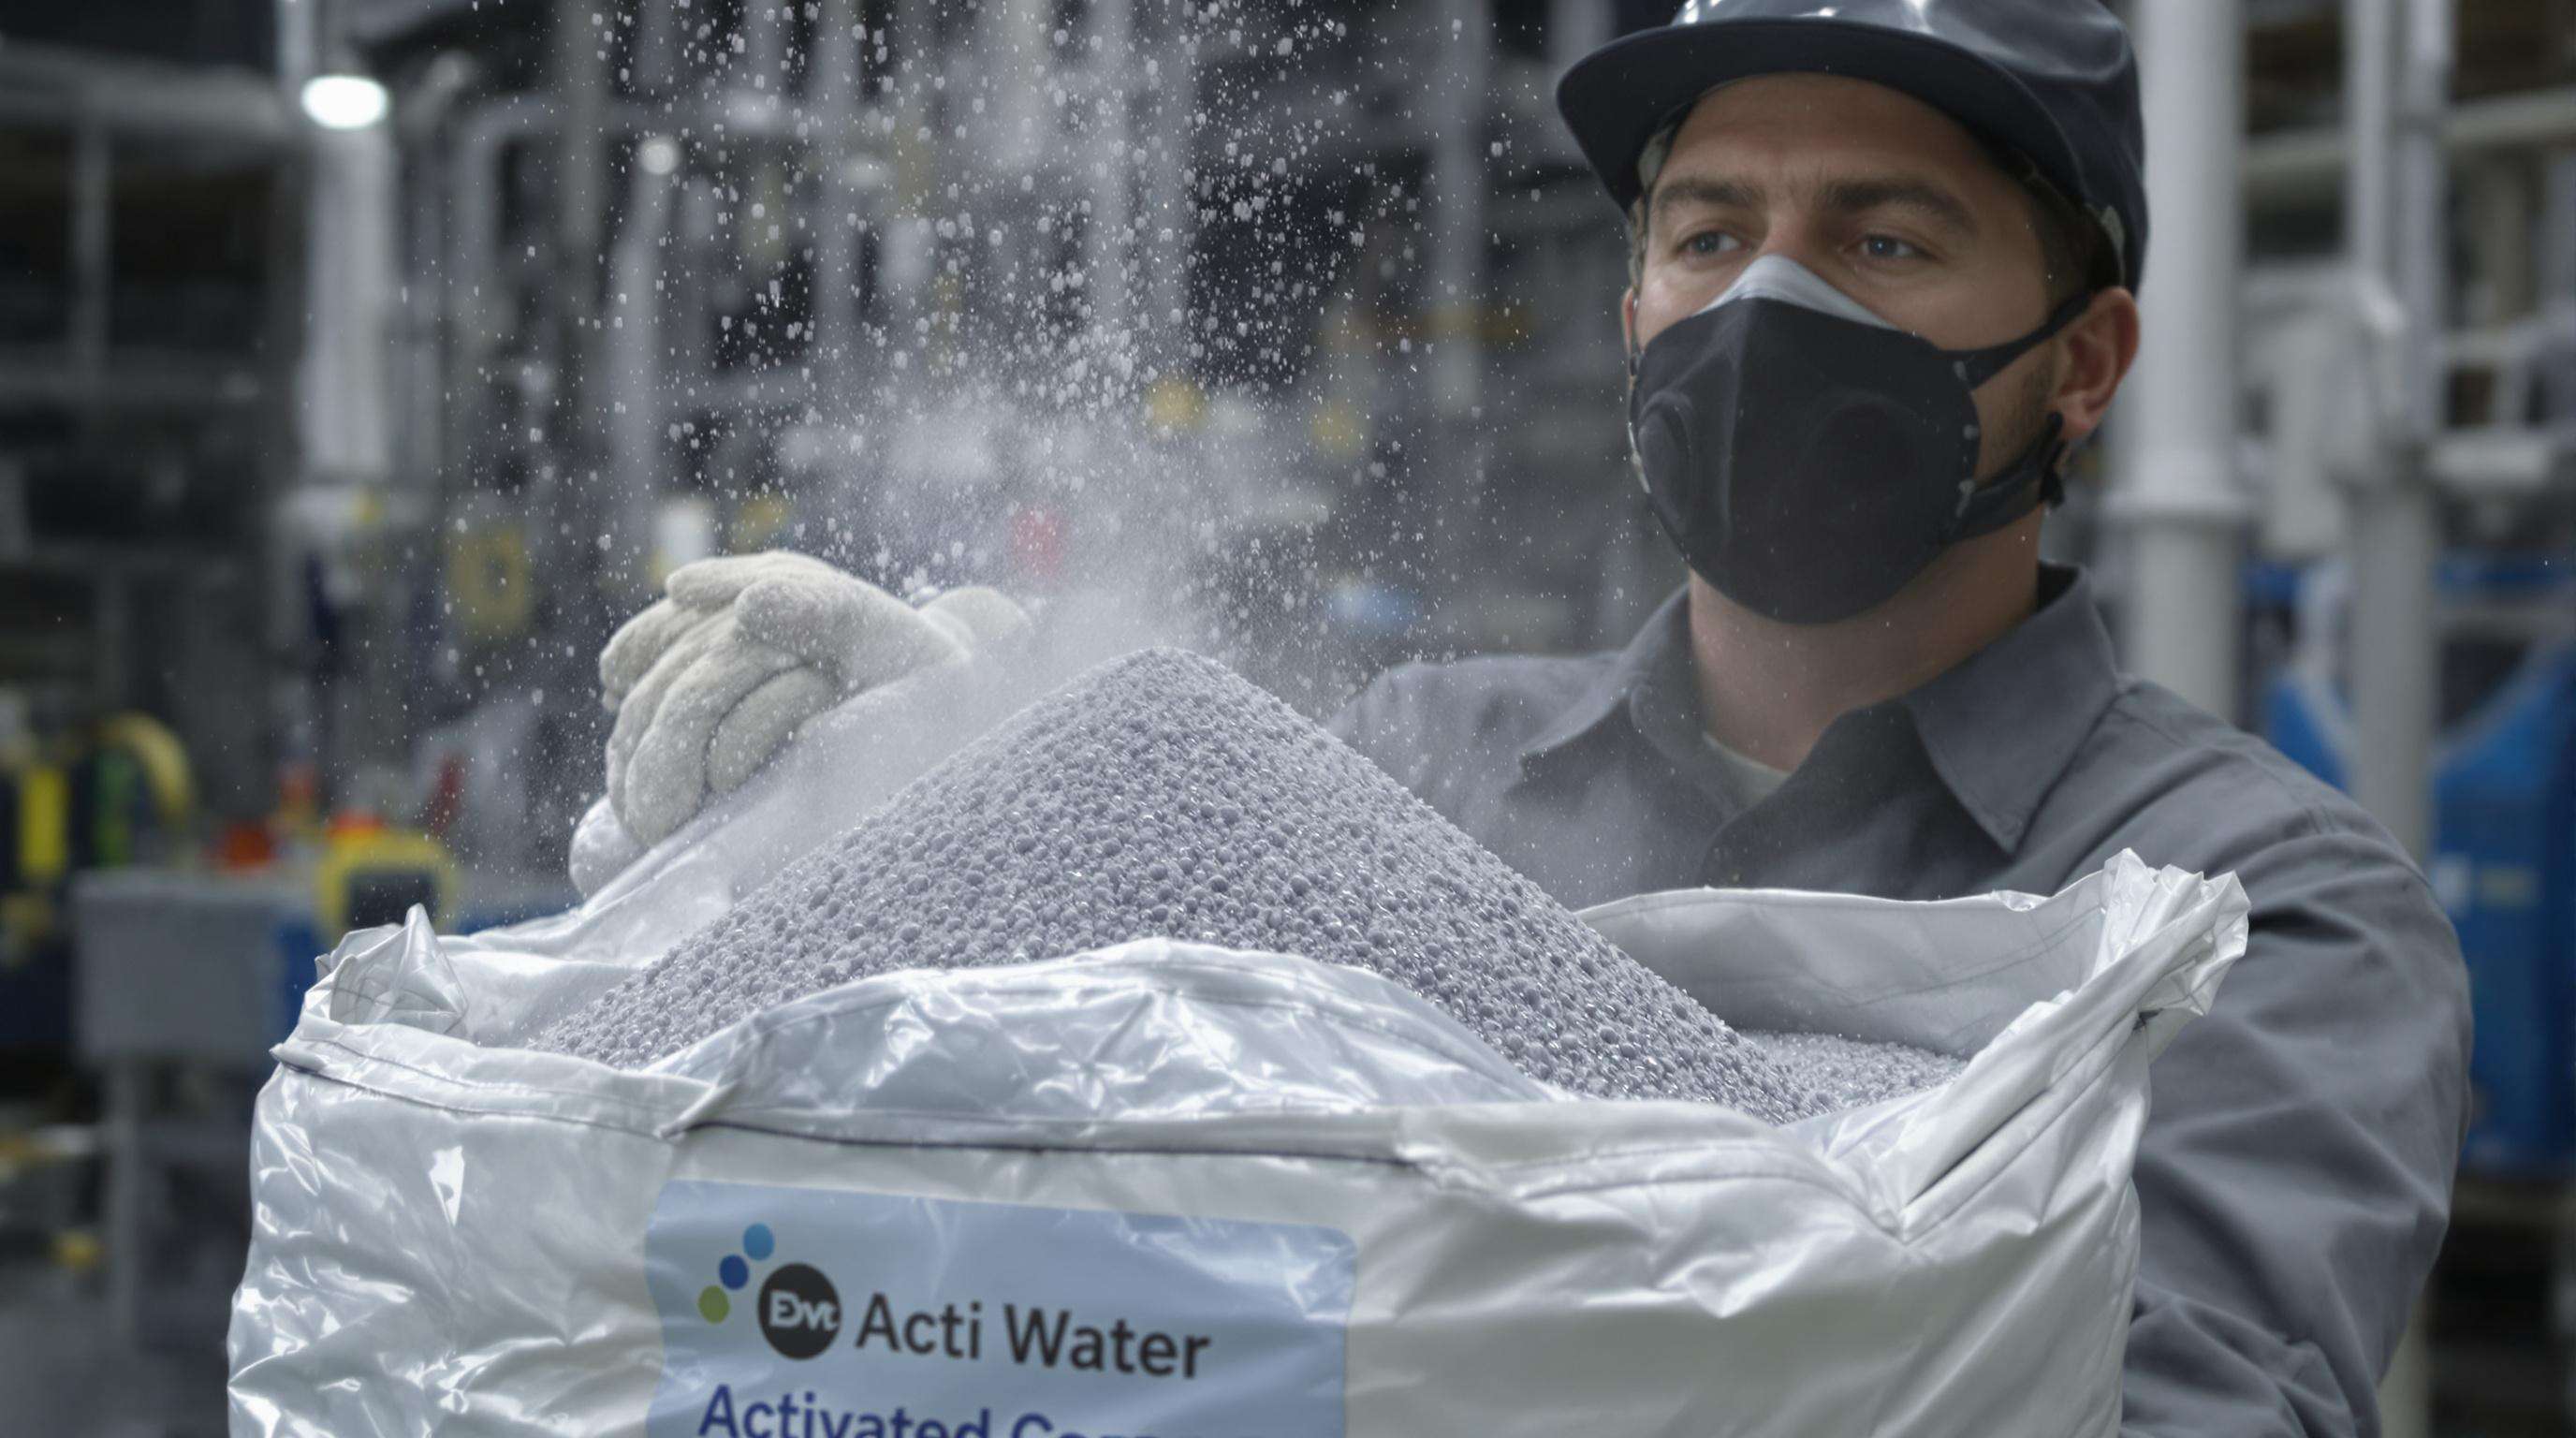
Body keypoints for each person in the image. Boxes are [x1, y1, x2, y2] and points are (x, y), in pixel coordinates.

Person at [578, 4, 2469, 1431]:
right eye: (1709, 235)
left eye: (1883, 243)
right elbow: (1073, 1178)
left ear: (2083, 364)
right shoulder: (1414, 764)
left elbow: (2163, 1406)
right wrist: (918, 798)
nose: (1768, 301)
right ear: (1637, 315)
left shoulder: (2252, 909)